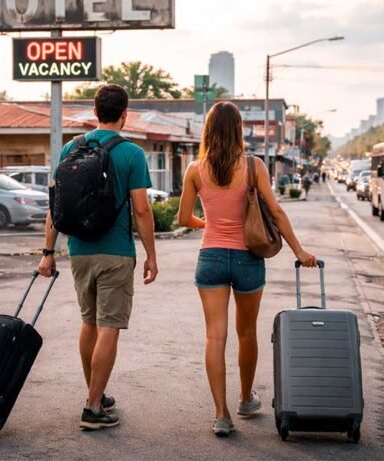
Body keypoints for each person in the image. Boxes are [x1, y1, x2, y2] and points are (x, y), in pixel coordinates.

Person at [177, 102, 317, 436]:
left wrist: (208, 223)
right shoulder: (254, 167)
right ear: (240, 129)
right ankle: (244, 399)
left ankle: (221, 415)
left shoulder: (195, 169)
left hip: (210, 257)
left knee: (215, 335)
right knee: (247, 333)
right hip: (247, 259)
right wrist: (299, 250)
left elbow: (183, 219)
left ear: (208, 131)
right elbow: (277, 213)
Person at [38, 84, 158, 431]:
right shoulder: (131, 153)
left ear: (95, 112)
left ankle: (96, 392)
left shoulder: (70, 148)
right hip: (116, 252)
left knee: (88, 322)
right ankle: (93, 407)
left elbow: (55, 208)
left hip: (79, 251)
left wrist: (48, 253)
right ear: (125, 114)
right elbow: (141, 209)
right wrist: (151, 255)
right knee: (109, 326)